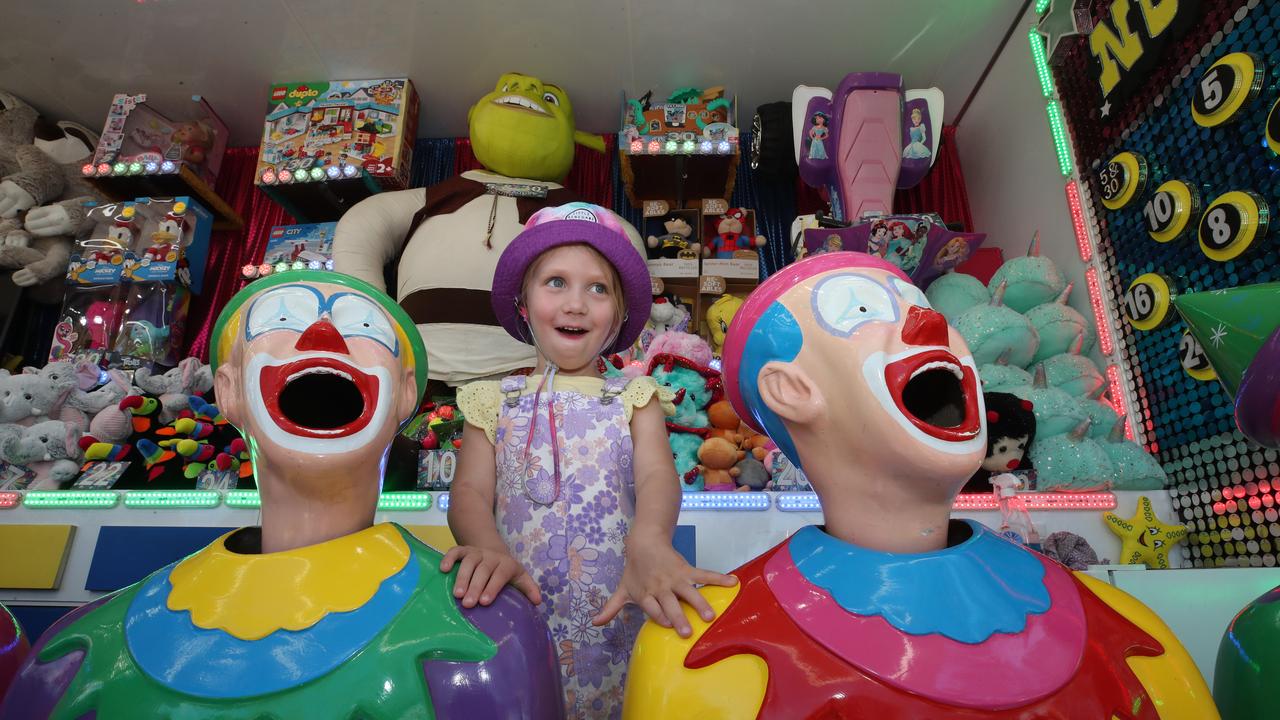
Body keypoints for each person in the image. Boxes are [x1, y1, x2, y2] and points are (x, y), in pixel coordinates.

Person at [623, 252, 1217, 719]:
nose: (930, 320)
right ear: (791, 391)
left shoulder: (1129, 635)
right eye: (860, 312)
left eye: (917, 302)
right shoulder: (696, 653)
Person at [0, 271, 564, 719]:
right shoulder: (73, 655)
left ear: (405, 398)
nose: (324, 339)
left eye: (363, 329)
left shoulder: (490, 637)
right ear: (227, 392)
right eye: (281, 321)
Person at [447, 202, 736, 719]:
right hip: (517, 610)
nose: (576, 304)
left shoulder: (634, 396)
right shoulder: (493, 400)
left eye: (597, 288)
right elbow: (468, 493)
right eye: (555, 282)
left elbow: (656, 477)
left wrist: (649, 541)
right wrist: (487, 549)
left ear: (620, 315)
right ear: (522, 302)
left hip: (617, 610)